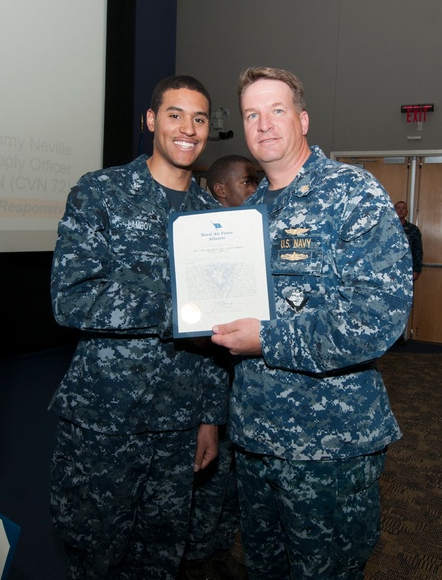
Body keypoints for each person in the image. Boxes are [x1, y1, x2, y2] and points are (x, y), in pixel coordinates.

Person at [211, 66, 413, 579]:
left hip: (328, 443)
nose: (264, 124)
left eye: (277, 110)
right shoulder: (246, 215)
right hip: (256, 437)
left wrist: (266, 337)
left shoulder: (351, 193)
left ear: (302, 119)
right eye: (252, 114)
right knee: (265, 568)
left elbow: (377, 316)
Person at [49, 75, 229, 579]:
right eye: (175, 114)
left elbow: (218, 337)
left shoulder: (213, 216)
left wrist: (210, 416)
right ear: (151, 121)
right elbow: (71, 297)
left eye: (199, 119)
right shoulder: (100, 194)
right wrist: (177, 311)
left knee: (161, 559)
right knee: (97, 554)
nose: (188, 129)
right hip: (106, 419)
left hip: (180, 424)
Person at [178, 155, 259, 580]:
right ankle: (197, 558)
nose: (255, 190)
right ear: (221, 191)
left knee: (232, 480)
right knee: (207, 476)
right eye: (247, 182)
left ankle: (221, 549)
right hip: (210, 379)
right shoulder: (201, 237)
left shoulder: (256, 233)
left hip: (249, 389)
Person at [393, 200, 423, 344]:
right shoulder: (387, 227)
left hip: (406, 273)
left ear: (407, 211)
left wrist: (416, 270)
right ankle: (387, 337)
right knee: (388, 303)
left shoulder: (413, 230)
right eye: (398, 208)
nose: (400, 210)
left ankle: (399, 336)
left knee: (404, 303)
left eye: (403, 208)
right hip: (389, 273)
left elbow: (418, 251)